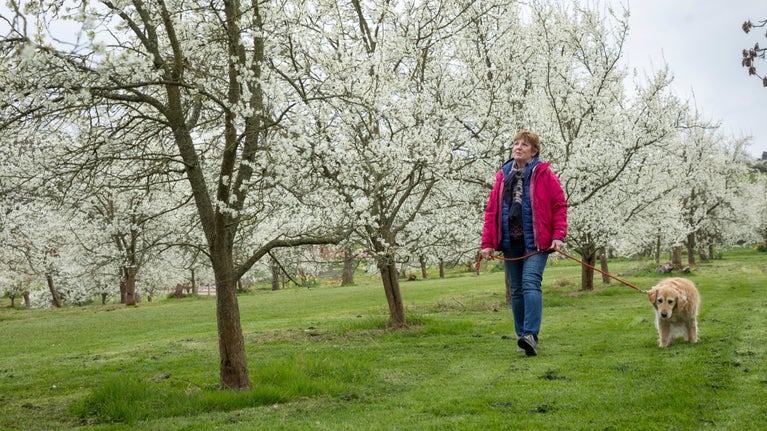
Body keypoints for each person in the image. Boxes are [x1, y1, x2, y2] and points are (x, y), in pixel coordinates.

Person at [480, 130, 567, 356]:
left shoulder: (544, 175)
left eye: (524, 145)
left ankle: (530, 335)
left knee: (530, 283)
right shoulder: (502, 176)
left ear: (534, 151)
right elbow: (492, 211)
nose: (518, 147)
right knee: (516, 290)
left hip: (537, 242)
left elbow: (559, 206)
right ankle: (523, 338)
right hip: (511, 241)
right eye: (516, 144)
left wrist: (558, 235)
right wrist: (487, 243)